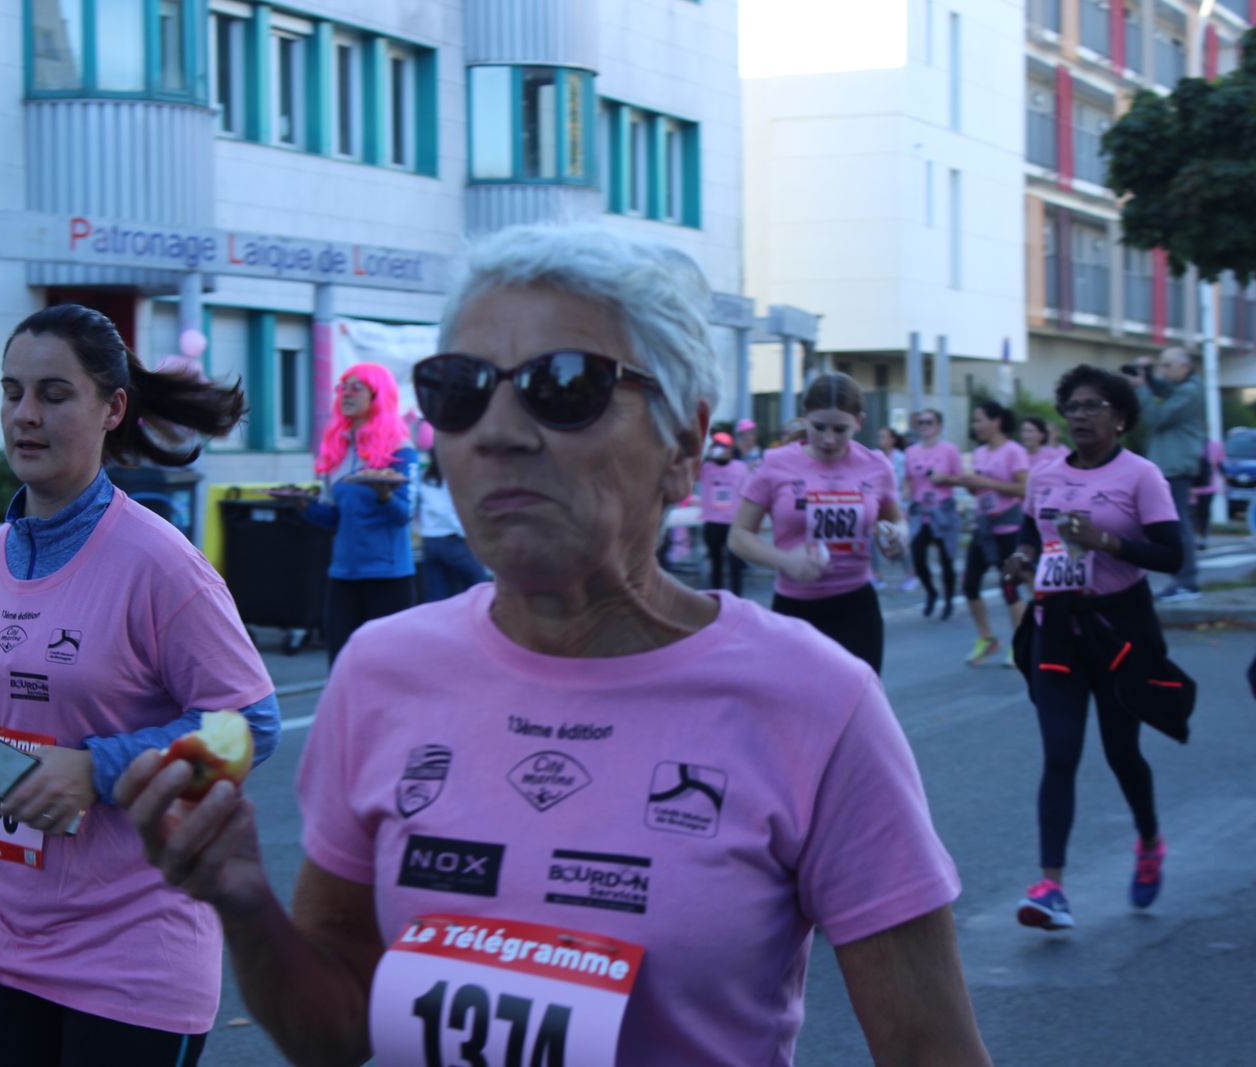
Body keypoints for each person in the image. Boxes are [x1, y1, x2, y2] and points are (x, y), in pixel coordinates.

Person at [119, 224, 990, 1067]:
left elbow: (931, 1050)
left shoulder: (816, 701)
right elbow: (337, 1029)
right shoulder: (382, 670)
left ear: (684, 440)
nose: (497, 432)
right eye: (459, 390)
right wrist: (243, 900)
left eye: (564, 385)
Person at [0, 304, 280, 1067]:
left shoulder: (160, 565)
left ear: (112, 408)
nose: (25, 415)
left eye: (53, 393)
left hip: (130, 951)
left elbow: (251, 726)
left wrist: (99, 767)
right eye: (12, 392)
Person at [1003, 365, 1185, 931]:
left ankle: (1149, 840)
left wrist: (1106, 541)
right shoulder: (1045, 475)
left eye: (1093, 406)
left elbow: (1172, 555)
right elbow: (1030, 533)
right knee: (1060, 754)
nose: (1080, 416)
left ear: (1120, 417)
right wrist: (1022, 557)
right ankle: (1051, 888)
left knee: (1121, 753)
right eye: (1073, 406)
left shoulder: (1141, 476)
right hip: (1056, 627)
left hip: (1119, 630)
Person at [731, 373, 908, 673]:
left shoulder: (876, 466)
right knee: (794, 700)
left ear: (859, 422)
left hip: (857, 608)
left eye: (840, 429)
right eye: (819, 427)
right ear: (805, 416)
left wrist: (898, 536)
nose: (828, 439)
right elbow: (738, 535)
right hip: (796, 608)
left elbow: (897, 521)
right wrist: (784, 561)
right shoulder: (775, 463)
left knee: (858, 700)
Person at [302, 362, 418, 663]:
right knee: (341, 664)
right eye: (343, 388)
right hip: (343, 574)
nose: (346, 394)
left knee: (388, 667)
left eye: (357, 388)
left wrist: (384, 494)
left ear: (377, 396)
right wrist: (303, 506)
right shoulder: (337, 450)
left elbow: (404, 514)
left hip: (388, 575)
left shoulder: (399, 449)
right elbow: (334, 518)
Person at [937, 401, 1029, 667]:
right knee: (969, 586)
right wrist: (970, 486)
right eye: (974, 421)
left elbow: (1024, 489)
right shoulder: (978, 453)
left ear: (996, 421)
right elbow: (979, 490)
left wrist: (986, 482)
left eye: (979, 420)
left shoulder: (1013, 451)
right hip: (984, 526)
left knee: (1009, 586)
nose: (975, 425)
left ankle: (1020, 644)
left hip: (1008, 527)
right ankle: (987, 638)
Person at [1126, 348, 1207, 601]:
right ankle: (1182, 580)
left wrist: (1142, 388)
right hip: (1171, 465)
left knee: (1178, 525)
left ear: (1185, 366)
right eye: (1161, 365)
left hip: (1176, 466)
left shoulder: (1190, 391)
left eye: (1168, 366)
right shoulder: (1185, 387)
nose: (1164, 371)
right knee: (1173, 523)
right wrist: (1149, 378)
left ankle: (1186, 582)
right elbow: (1164, 390)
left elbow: (1157, 417)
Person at [904, 409, 962, 620]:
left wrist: (944, 478)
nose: (925, 426)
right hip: (920, 512)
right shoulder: (911, 451)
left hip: (943, 511)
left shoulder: (950, 450)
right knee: (918, 558)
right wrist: (906, 494)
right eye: (921, 422)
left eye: (929, 422)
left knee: (946, 560)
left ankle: (948, 601)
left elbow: (960, 478)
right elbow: (908, 479)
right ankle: (931, 592)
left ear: (938, 425)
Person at [416, 447, 486, 601]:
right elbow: (446, 511)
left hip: (429, 541)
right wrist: (465, 532)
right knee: (480, 586)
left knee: (437, 596)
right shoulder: (451, 479)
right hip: (452, 539)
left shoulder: (425, 478)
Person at [697, 430, 749, 594]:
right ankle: (717, 597)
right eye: (716, 446)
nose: (719, 449)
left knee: (735, 565)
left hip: (733, 524)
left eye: (723, 446)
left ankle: (737, 597)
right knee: (716, 563)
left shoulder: (741, 468)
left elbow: (748, 493)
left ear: (731, 449)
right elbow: (689, 468)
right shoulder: (705, 468)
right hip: (712, 523)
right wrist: (704, 454)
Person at [873, 426, 919, 591]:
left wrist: (905, 501)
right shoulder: (876, 456)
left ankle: (910, 574)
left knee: (898, 538)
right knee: (873, 538)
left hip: (897, 504)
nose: (881, 440)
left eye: (884, 436)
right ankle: (876, 574)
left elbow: (906, 481)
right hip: (878, 504)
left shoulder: (901, 458)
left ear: (892, 440)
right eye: (879, 436)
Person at [1191, 437, 1225, 550]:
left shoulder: (1215, 445)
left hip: (1207, 487)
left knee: (1202, 513)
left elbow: (1220, 465)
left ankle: (1202, 538)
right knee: (1196, 514)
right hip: (1193, 488)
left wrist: (1225, 483)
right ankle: (1195, 538)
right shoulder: (1190, 442)